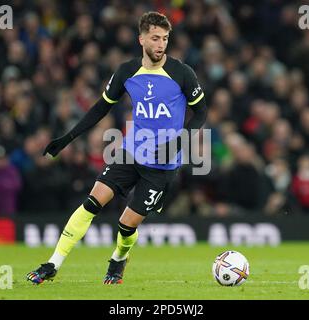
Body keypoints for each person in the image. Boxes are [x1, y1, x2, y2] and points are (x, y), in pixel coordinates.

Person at [26, 12, 207, 285]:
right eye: (155, 38)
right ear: (141, 39)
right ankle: (53, 263)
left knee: (126, 225)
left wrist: (180, 141)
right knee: (91, 202)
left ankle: (118, 260)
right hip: (130, 153)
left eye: (165, 39)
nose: (161, 44)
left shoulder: (182, 73)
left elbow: (202, 112)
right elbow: (101, 107)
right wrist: (68, 137)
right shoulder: (126, 71)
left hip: (162, 165)